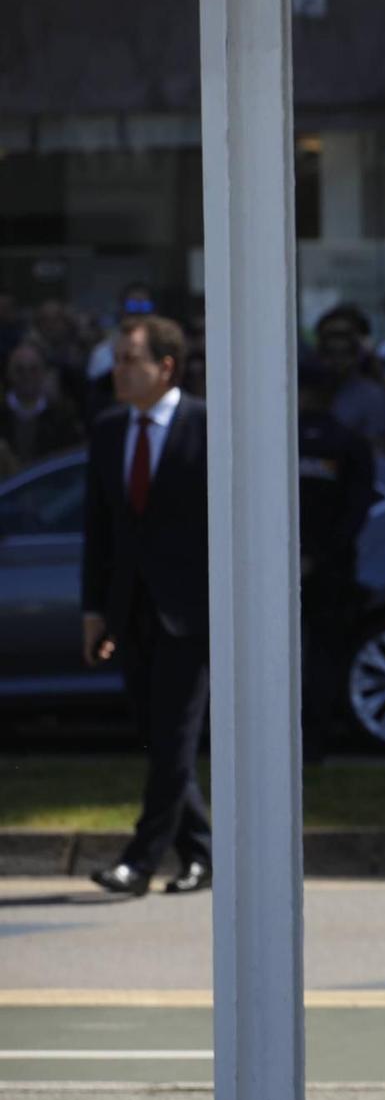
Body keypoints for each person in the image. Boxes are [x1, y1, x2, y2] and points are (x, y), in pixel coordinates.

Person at [81, 316, 213, 897]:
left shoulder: (206, 426)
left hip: (191, 613)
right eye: (116, 358)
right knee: (159, 740)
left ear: (165, 366)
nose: (119, 369)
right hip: (130, 611)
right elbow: (100, 530)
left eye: (130, 358)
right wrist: (94, 611)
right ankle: (204, 853)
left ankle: (141, 860)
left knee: (175, 738)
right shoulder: (109, 431)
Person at [298, 360, 376, 764]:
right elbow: (357, 511)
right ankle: (315, 743)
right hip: (332, 569)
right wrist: (322, 555)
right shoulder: (349, 443)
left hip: (286, 572)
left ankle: (292, 744)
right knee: (324, 657)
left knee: (282, 657)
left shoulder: (281, 440)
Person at [4, 338, 85, 466]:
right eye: (20, 370)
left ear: (43, 373)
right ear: (9, 374)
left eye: (33, 369)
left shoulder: (62, 418)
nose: (27, 376)